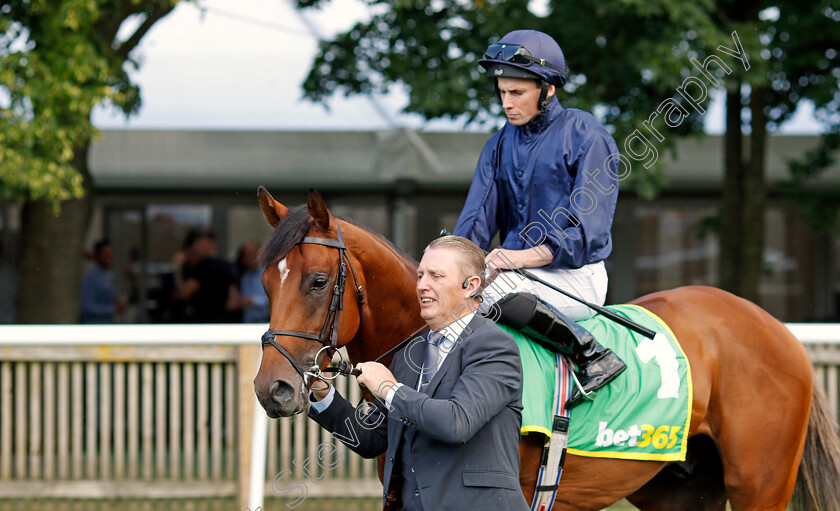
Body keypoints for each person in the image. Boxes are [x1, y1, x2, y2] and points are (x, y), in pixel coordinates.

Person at [453, 29, 625, 406]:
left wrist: (514, 258)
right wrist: (446, 264)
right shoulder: (499, 143)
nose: (506, 103)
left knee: (490, 296)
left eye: (517, 93)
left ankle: (591, 354)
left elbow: (587, 236)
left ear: (547, 90)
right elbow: (475, 223)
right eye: (501, 93)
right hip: (514, 275)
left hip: (575, 276)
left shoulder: (586, 134)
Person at [308, 236, 528, 511]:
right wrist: (322, 393)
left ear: (470, 286)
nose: (422, 284)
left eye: (436, 276)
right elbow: (370, 439)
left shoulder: (494, 346)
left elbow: (456, 422)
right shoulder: (409, 354)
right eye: (421, 274)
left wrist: (389, 389)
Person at [171, 228, 235, 323]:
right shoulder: (224, 264)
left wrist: (177, 268)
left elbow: (183, 293)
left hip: (203, 321)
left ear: (211, 243)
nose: (196, 246)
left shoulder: (205, 265)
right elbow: (232, 300)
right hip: (220, 320)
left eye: (200, 241)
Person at [80, 239, 126, 323]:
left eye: (111, 255)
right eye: (106, 255)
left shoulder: (108, 276)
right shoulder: (90, 279)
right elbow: (86, 308)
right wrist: (113, 309)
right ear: (97, 256)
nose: (109, 258)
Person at [229, 241, 270, 323]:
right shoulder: (245, 277)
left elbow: (275, 300)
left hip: (267, 322)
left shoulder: (269, 273)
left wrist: (252, 301)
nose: (246, 259)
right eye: (245, 256)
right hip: (249, 324)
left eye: (249, 255)